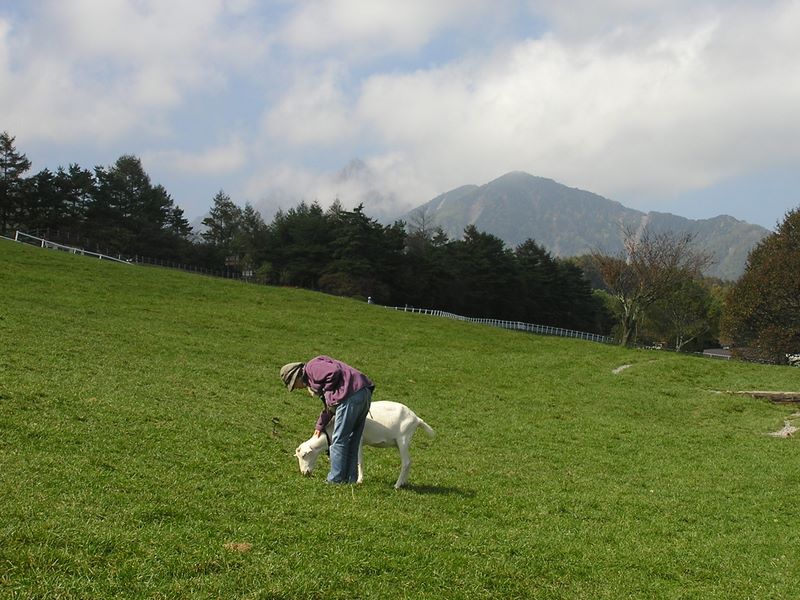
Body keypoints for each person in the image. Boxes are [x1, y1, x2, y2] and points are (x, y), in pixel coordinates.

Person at [280, 356, 374, 484]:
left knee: (338, 439)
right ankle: (350, 479)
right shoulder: (317, 380)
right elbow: (328, 408)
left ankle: (335, 479)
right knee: (352, 440)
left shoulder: (312, 368)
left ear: (296, 376)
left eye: (293, 385)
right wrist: (320, 426)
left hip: (350, 396)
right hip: (363, 393)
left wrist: (328, 392)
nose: (296, 388)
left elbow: (333, 372)